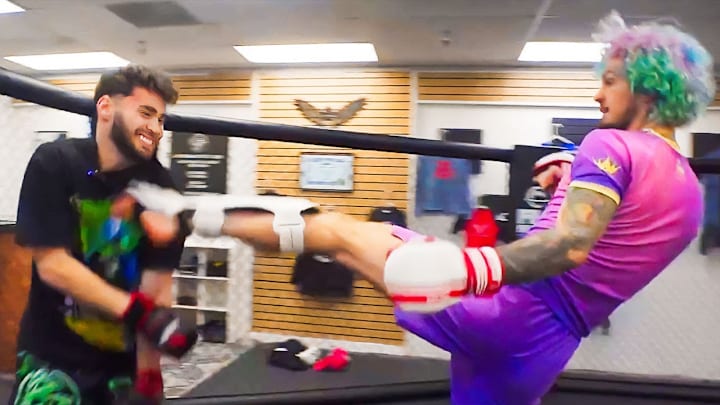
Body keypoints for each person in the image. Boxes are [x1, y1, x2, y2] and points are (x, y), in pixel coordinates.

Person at [123, 11, 715, 405]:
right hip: (547, 348)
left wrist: (466, 268)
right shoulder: (689, 189)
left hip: (502, 308)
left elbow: (571, 244)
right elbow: (613, 238)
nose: (597, 93)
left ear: (646, 87)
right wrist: (570, 172)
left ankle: (185, 214)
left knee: (333, 231)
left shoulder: (610, 145)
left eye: (610, 80)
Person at [9, 65, 197, 405]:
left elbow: (156, 287)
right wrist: (140, 313)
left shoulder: (164, 188)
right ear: (106, 107)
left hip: (118, 365)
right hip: (51, 358)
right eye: (146, 113)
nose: (156, 128)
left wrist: (149, 377)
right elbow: (53, 265)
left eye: (161, 120)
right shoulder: (56, 162)